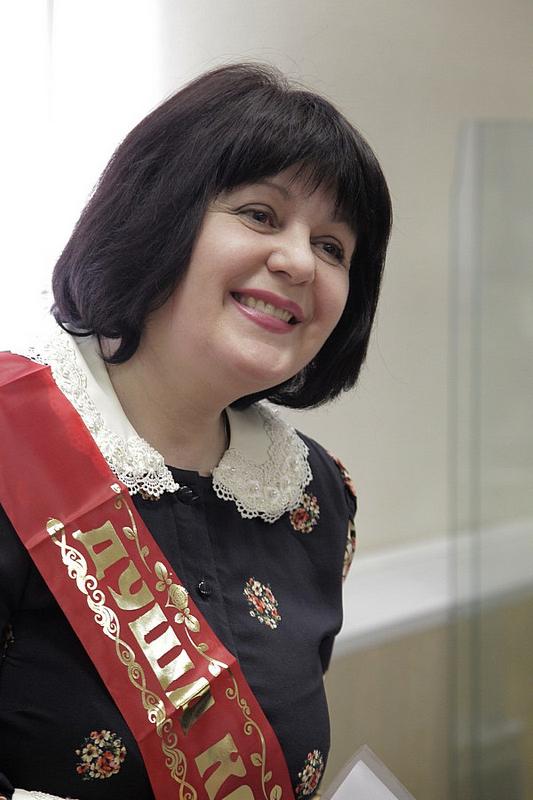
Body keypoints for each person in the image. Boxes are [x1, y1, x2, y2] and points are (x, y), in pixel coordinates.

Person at [0, 62, 392, 800]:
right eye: (261, 215)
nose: (299, 262)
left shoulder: (315, 499)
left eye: (333, 247)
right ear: (158, 213)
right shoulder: (8, 439)